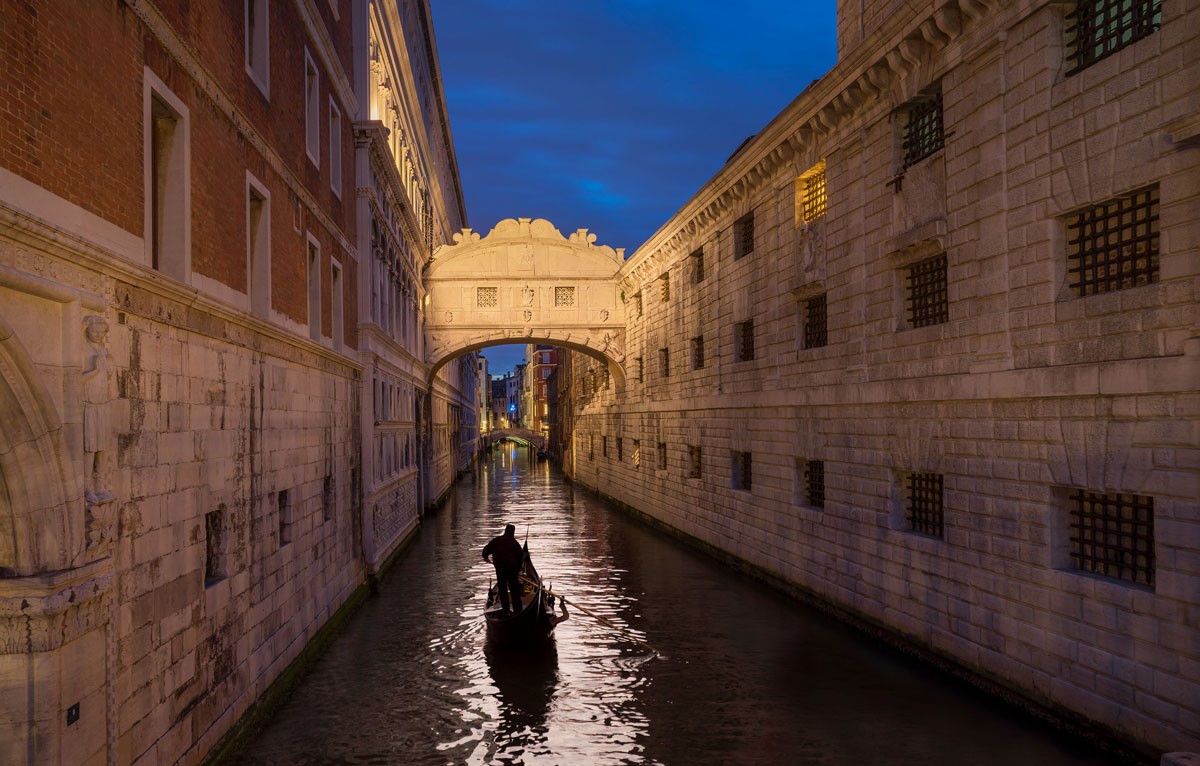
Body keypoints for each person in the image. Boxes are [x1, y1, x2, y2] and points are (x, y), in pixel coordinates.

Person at [482, 524, 524, 615]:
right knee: (514, 590)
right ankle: (518, 611)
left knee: (502, 589)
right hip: (512, 570)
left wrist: (486, 558)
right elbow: (520, 559)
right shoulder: (515, 544)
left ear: (505, 530)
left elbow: (485, 550)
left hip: (500, 569)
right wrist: (518, 570)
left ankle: (506, 610)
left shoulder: (497, 541)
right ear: (513, 532)